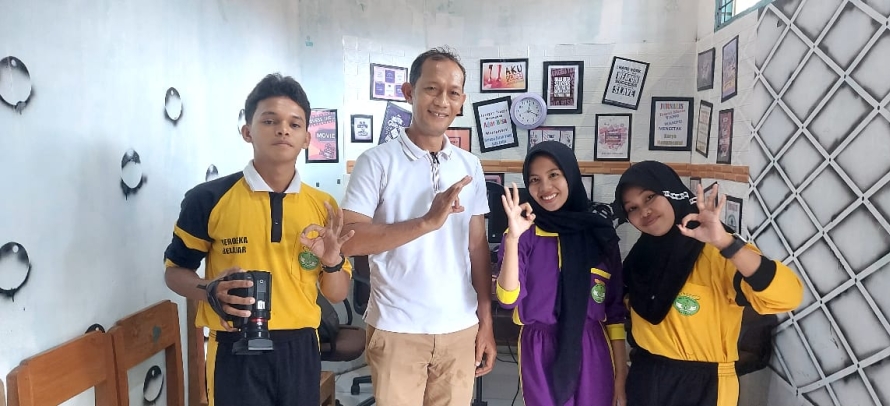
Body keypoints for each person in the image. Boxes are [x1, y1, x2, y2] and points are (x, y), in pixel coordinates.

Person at [162, 73, 354, 406]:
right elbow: (174, 272)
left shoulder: (323, 207)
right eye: (270, 120)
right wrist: (208, 290)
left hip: (300, 348)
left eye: (294, 124)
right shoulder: (208, 199)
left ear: (307, 138)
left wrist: (332, 262)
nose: (283, 130)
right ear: (247, 131)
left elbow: (336, 293)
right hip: (234, 347)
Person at [341, 47, 497, 406]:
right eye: (431, 88)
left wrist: (485, 322)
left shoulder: (470, 165)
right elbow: (349, 239)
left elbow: (477, 248)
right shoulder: (376, 162)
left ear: (461, 102)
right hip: (397, 328)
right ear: (409, 92)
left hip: (460, 328)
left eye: (453, 93)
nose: (442, 101)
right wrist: (426, 222)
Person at [614, 160, 803, 406]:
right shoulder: (638, 259)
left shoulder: (716, 252)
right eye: (632, 208)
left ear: (671, 191)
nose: (644, 211)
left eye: (649, 197)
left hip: (703, 387)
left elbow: (787, 297)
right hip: (645, 377)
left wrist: (726, 244)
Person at [495, 141, 628, 406]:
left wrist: (621, 375)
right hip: (540, 346)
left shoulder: (599, 233)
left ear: (571, 175)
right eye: (535, 180)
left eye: (554, 175)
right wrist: (512, 239)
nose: (545, 187)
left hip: (591, 344)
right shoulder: (525, 233)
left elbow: (614, 311)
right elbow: (508, 299)